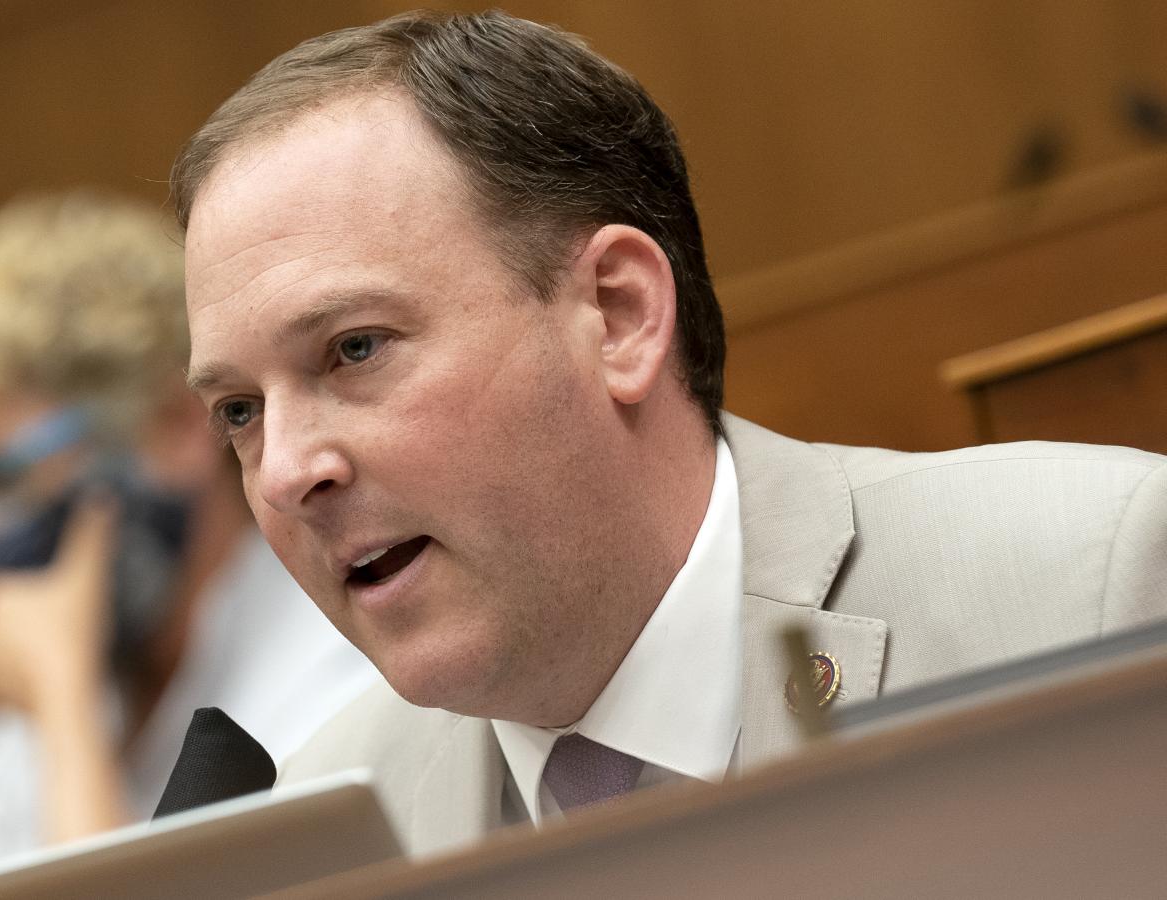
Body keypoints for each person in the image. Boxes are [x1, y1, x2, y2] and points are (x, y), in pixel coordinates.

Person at [173, 10, 1167, 857]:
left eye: (354, 349)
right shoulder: (332, 829)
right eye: (240, 412)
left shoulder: (1088, 589)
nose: (286, 472)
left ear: (617, 316)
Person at [0, 193, 379, 863]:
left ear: (175, 425)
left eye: (5, 479)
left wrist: (65, 708)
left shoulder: (342, 657)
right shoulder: (20, 729)